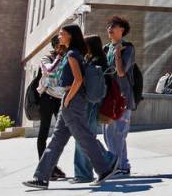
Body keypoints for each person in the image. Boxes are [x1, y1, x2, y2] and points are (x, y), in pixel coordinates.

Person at [23, 24, 118, 189]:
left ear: (70, 36)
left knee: (83, 137)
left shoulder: (73, 54)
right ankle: (41, 177)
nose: (59, 36)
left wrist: (67, 100)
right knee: (58, 140)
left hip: (72, 100)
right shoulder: (70, 53)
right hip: (69, 99)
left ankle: (105, 168)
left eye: (62, 34)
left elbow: (78, 79)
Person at [102, 15, 135, 177]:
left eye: (113, 25)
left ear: (122, 29)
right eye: (109, 25)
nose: (110, 28)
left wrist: (117, 54)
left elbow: (121, 72)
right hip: (107, 97)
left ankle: (122, 165)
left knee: (119, 132)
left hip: (122, 96)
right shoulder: (105, 48)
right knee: (108, 133)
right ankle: (116, 164)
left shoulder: (128, 48)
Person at [73, 35, 108, 183]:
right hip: (93, 104)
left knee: (83, 138)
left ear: (90, 46)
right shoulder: (99, 60)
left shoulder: (94, 62)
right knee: (86, 137)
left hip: (88, 104)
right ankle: (89, 171)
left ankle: (84, 174)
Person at [35, 36, 67, 181]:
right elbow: (49, 70)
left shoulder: (68, 57)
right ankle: (45, 167)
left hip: (61, 98)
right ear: (55, 46)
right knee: (44, 131)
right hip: (47, 98)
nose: (62, 48)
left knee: (62, 131)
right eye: (60, 46)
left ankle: (52, 166)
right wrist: (59, 57)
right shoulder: (46, 58)